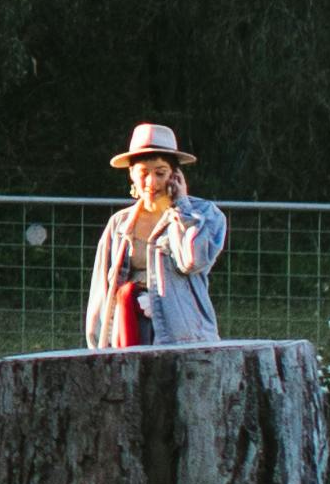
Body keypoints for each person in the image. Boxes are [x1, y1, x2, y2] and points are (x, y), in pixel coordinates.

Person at [84, 124, 227, 347]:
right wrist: (98, 344)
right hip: (128, 328)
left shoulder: (204, 214)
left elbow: (193, 261)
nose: (151, 182)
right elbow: (101, 289)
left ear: (175, 174)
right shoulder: (119, 224)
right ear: (131, 175)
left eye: (160, 173)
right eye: (143, 173)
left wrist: (182, 207)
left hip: (182, 335)